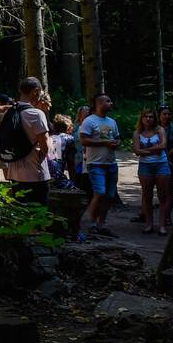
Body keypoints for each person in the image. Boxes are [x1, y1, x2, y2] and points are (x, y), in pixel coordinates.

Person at [0, 76, 52, 208]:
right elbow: (46, 149)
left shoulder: (9, 112)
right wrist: (49, 138)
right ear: (35, 91)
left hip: (14, 175)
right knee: (37, 218)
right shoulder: (36, 114)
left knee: (20, 217)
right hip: (35, 175)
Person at [78, 94, 121, 238]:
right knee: (100, 192)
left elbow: (116, 137)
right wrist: (104, 143)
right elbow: (84, 141)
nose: (111, 103)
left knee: (109, 195)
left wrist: (117, 143)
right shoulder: (89, 121)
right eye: (108, 101)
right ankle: (91, 224)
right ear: (99, 103)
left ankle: (101, 223)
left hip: (111, 163)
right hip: (95, 163)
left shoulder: (112, 122)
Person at [132, 108, 173, 236]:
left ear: (154, 118)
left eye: (151, 117)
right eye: (146, 117)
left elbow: (163, 146)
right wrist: (153, 150)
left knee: (163, 196)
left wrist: (146, 151)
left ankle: (162, 225)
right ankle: (149, 224)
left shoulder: (159, 130)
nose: (148, 119)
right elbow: (137, 150)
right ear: (142, 118)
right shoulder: (137, 133)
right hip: (145, 166)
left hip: (161, 164)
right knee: (147, 195)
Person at [48, 114, 76, 187]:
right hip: (57, 179)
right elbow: (71, 163)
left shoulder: (48, 138)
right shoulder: (69, 139)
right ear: (68, 127)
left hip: (45, 177)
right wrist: (73, 181)